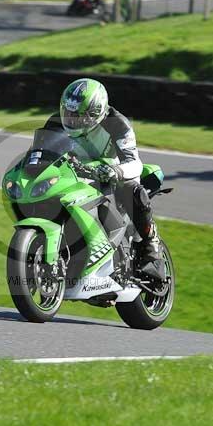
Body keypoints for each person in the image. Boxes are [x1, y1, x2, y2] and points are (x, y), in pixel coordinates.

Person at [44, 78, 165, 281]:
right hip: (75, 175)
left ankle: (151, 245)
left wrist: (114, 171)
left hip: (114, 174)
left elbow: (134, 162)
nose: (71, 120)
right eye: (68, 112)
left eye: (79, 115)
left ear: (96, 113)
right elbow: (42, 154)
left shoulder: (117, 123)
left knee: (132, 189)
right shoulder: (55, 122)